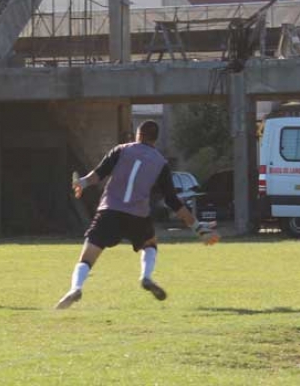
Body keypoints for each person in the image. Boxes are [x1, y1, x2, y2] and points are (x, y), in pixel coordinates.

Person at [54, 120, 220, 310]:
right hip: (138, 216)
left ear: (137, 134)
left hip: (109, 211)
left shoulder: (121, 150)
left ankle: (75, 288)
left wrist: (81, 183)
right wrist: (198, 227)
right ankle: (146, 276)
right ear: (155, 140)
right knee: (149, 245)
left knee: (87, 258)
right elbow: (173, 201)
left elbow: (98, 174)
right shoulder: (160, 162)